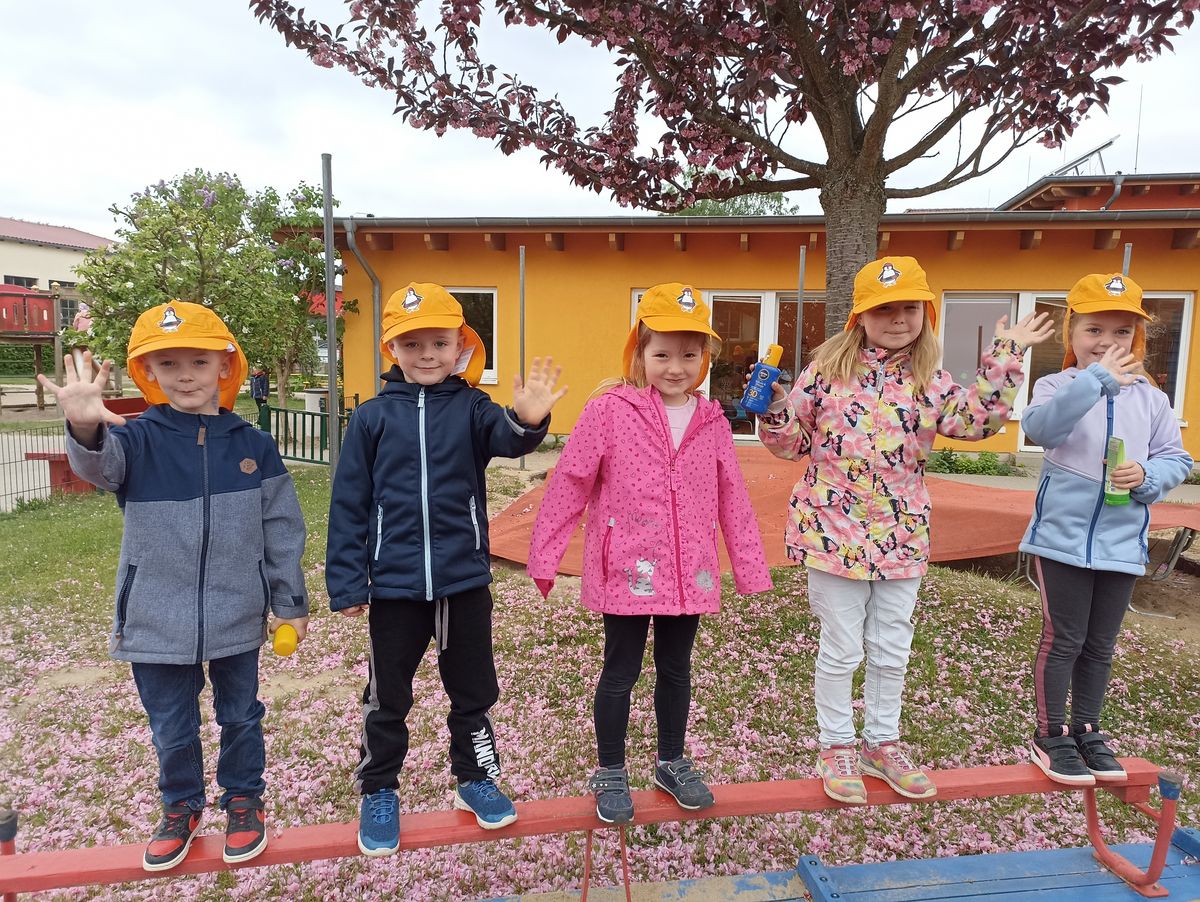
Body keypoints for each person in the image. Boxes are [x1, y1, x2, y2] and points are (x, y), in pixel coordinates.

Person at [756, 256, 1053, 805]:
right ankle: (836, 744)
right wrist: (774, 408)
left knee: (892, 645)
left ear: (926, 313)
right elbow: (792, 444)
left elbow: (977, 421)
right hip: (832, 532)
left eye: (909, 307)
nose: (897, 318)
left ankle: (882, 742)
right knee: (842, 647)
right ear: (860, 317)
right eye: (884, 308)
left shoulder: (930, 381)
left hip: (902, 534)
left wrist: (1008, 354)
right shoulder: (825, 374)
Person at [39, 301, 309, 871]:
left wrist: (288, 601)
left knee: (241, 714)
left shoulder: (253, 444)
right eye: (168, 362)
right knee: (172, 724)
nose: (185, 374)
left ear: (224, 367)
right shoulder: (135, 439)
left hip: (238, 612)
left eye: (198, 361)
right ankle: (180, 807)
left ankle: (242, 798)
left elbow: (282, 528)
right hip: (155, 618)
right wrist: (85, 422)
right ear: (149, 372)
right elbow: (96, 468)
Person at [326, 282, 566, 856]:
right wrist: (346, 581)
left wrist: (530, 418)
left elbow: (508, 439)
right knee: (388, 697)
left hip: (463, 583)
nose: (427, 354)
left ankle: (476, 780)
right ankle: (378, 788)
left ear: (461, 346)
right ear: (393, 349)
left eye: (439, 341)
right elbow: (349, 502)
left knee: (473, 691)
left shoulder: (474, 408)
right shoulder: (371, 419)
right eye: (412, 343)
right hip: (393, 587)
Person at [528, 282, 772, 825]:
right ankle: (610, 770)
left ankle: (671, 760)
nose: (676, 366)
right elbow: (571, 482)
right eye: (662, 353)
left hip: (691, 574)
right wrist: (545, 556)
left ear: (704, 358)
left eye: (690, 354)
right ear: (639, 352)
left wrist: (751, 570)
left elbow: (731, 494)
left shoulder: (712, 421)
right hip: (629, 570)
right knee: (619, 672)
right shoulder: (609, 411)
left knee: (676, 669)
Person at [1019, 273, 1192, 786]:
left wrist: (1148, 476)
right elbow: (1041, 429)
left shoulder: (1152, 399)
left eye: (1121, 334)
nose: (1107, 343)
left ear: (1135, 340)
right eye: (1094, 329)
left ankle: (1088, 731)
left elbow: (1176, 457)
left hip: (1122, 543)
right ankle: (1050, 736)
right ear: (1071, 334)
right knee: (1064, 638)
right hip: (1060, 541)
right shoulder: (1056, 386)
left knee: (1100, 644)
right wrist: (1095, 381)